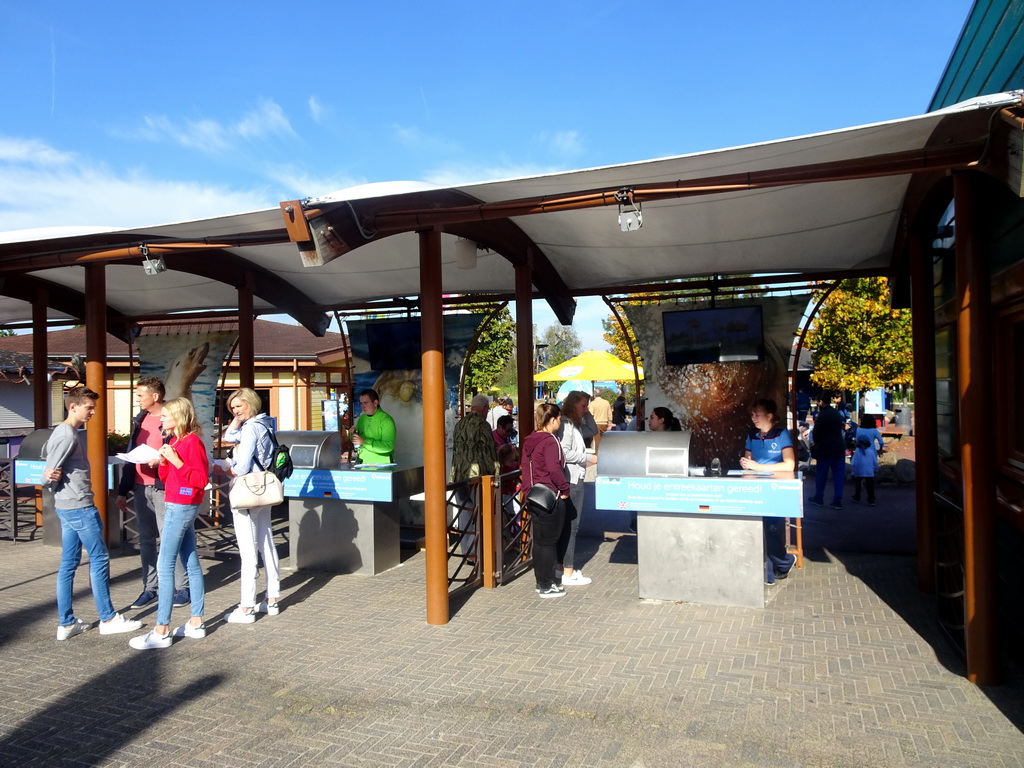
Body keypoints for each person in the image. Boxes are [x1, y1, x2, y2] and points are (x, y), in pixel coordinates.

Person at [43, 387, 143, 640]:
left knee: (68, 564)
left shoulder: (63, 432)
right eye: (89, 407)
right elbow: (49, 470)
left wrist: (52, 477)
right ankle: (108, 619)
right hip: (78, 506)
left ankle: (66, 624)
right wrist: (50, 477)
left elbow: (48, 458)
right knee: (99, 560)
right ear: (73, 406)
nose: (93, 412)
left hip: (68, 506)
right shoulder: (66, 435)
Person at [129, 398, 209, 649]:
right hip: (175, 502)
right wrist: (164, 462)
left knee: (165, 565)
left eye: (165, 416)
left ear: (178, 416)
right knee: (190, 560)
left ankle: (162, 629)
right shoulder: (174, 441)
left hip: (182, 506)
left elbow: (200, 479)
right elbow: (166, 478)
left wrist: (176, 461)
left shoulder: (192, 442)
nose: (160, 420)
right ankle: (196, 622)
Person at [116, 376, 189, 610]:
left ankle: (182, 587)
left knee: (169, 537)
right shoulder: (140, 419)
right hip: (140, 486)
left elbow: (184, 451)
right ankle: (150, 589)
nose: (137, 399)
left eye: (140, 395)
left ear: (154, 396)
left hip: (164, 487)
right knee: (146, 540)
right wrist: (123, 489)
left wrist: (163, 459)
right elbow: (131, 452)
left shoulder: (172, 419)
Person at [221, 387, 281, 623]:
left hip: (246, 492)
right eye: (233, 407)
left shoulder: (249, 429)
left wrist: (224, 468)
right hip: (264, 489)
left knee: (247, 550)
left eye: (239, 406)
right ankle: (273, 598)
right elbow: (228, 436)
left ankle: (247, 606)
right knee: (267, 542)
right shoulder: (264, 424)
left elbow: (242, 466)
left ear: (251, 404)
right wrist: (236, 420)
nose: (236, 411)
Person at [740, 397, 797, 584]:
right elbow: (749, 462)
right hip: (755, 488)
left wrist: (759, 468)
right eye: (752, 414)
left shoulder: (782, 435)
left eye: (757, 414)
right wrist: (747, 465)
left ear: (770, 416)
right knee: (756, 528)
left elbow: (789, 465)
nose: (753, 418)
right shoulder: (752, 434)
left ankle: (785, 561)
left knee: (772, 531)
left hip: (776, 489)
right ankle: (767, 574)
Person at [520, 402, 570, 598]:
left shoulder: (530, 439)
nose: (560, 422)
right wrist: (565, 489)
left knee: (540, 542)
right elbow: (554, 469)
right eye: (558, 419)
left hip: (534, 495)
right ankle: (546, 584)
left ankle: (541, 581)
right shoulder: (550, 441)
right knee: (548, 543)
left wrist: (526, 491)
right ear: (552, 420)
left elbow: (525, 467)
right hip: (550, 495)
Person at [449, 394, 500, 556]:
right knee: (480, 513)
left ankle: (467, 551)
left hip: (458, 475)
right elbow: (489, 451)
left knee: (465, 512)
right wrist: (496, 473)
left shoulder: (460, 424)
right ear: (484, 408)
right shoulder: (482, 425)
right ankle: (478, 552)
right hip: (477, 477)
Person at [556, 391, 597, 587]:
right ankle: (568, 571)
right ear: (572, 405)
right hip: (571, 479)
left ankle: (562, 566)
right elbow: (565, 453)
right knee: (572, 527)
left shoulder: (574, 424)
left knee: (568, 526)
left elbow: (593, 429)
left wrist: (585, 411)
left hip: (573, 477)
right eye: (583, 405)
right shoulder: (567, 425)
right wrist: (588, 458)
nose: (586, 409)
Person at [808, 392, 847, 509]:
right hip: (839, 446)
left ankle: (819, 497)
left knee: (821, 473)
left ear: (821, 402)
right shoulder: (836, 413)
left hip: (825, 448)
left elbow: (816, 433)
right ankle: (837, 500)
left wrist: (816, 443)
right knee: (838, 474)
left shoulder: (822, 415)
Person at [352, 388, 396, 464]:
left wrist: (365, 442)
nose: (362, 406)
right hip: (363, 462)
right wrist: (352, 433)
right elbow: (357, 440)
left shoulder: (386, 420)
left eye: (365, 403)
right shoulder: (362, 418)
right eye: (361, 403)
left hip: (381, 465)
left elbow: (388, 446)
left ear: (375, 403)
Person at [851, 413, 885, 506]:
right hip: (871, 451)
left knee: (858, 477)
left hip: (859, 451)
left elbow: (856, 440)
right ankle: (871, 499)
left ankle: (857, 495)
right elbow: (881, 441)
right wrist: (881, 449)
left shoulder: (858, 429)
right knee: (870, 479)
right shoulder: (874, 430)